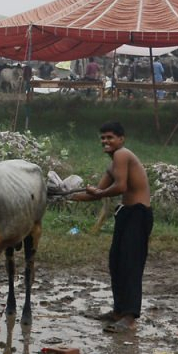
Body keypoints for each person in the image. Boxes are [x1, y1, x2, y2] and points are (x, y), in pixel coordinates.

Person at [69, 122, 153, 333]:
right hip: (125, 213)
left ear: (121, 139)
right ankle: (118, 312)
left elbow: (120, 187)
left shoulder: (122, 155)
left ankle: (130, 317)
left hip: (138, 213)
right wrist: (66, 195)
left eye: (110, 137)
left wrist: (97, 193)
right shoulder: (112, 163)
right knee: (116, 262)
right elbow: (97, 191)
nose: (105, 142)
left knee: (130, 264)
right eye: (103, 138)